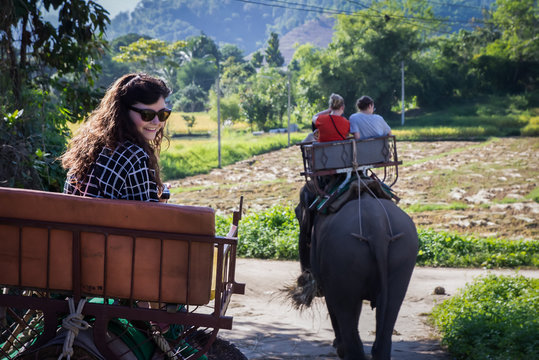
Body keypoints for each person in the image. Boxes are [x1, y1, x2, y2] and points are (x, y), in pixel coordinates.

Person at [61, 73, 171, 202]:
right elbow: (147, 218)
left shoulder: (89, 148)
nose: (157, 122)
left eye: (163, 114)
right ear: (123, 113)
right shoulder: (135, 156)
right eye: (147, 114)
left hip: (77, 220)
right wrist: (161, 201)